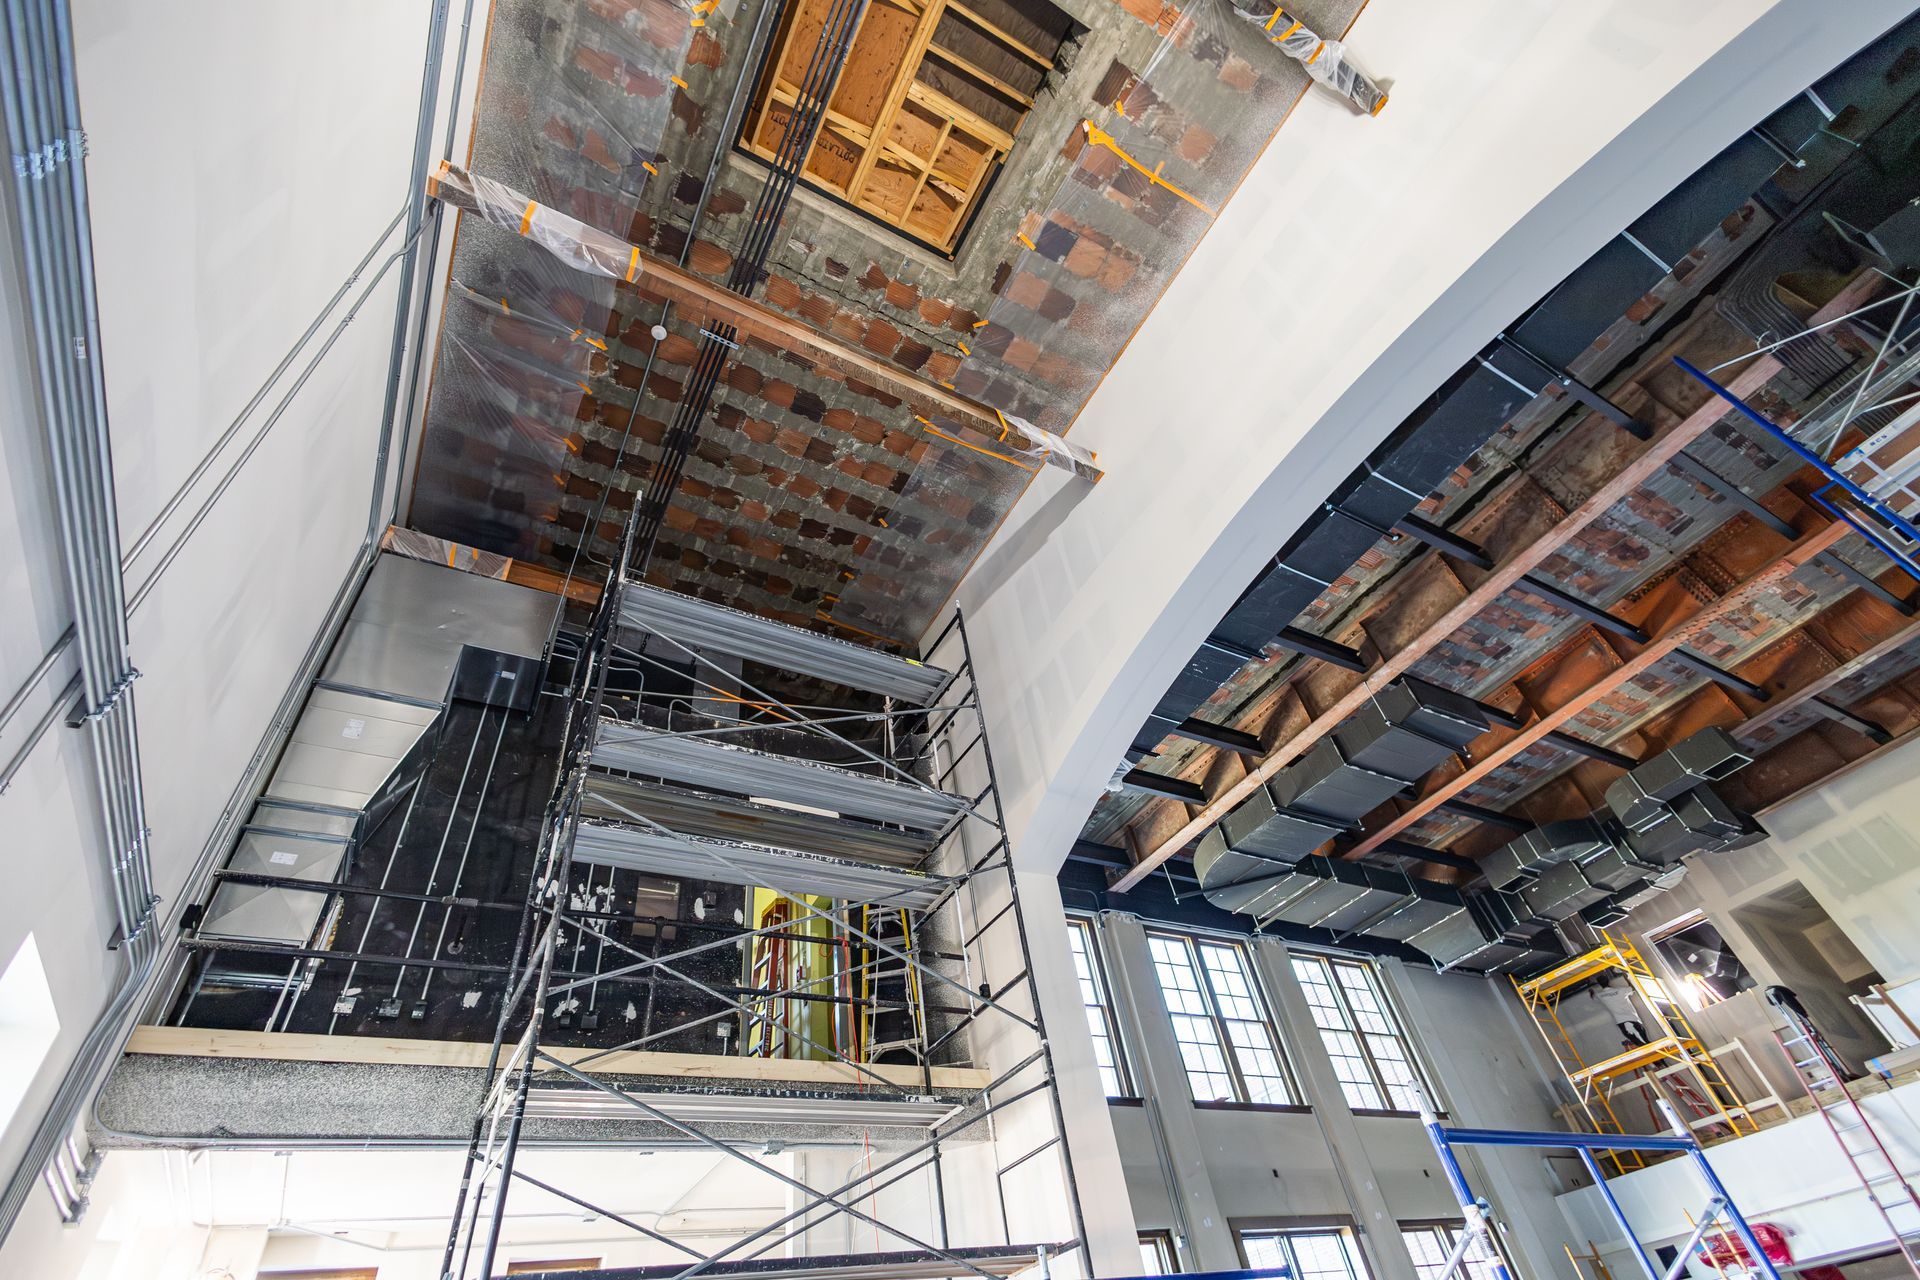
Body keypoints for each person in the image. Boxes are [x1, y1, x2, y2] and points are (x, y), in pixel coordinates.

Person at [1590, 976, 1646, 1047]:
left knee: (1626, 1033)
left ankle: (1639, 1044)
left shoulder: (1600, 995)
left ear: (1599, 984)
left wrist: (1591, 991)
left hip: (1619, 1019)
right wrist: (1627, 978)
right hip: (1631, 1015)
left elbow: (1593, 997)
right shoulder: (1620, 990)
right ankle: (1646, 1042)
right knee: (1641, 1032)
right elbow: (1632, 989)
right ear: (1608, 980)